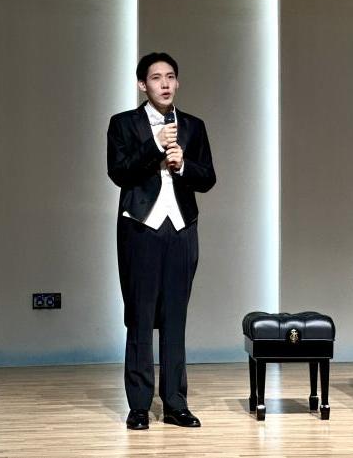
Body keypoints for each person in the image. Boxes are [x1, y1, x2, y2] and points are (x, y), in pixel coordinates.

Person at [107, 52, 216, 430]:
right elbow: (118, 172)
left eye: (170, 76)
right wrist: (154, 146)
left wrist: (183, 165)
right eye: (156, 78)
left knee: (175, 319)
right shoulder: (123, 124)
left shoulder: (194, 126)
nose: (165, 84)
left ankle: (175, 404)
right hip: (141, 228)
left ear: (177, 82)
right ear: (143, 84)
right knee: (140, 318)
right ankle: (139, 406)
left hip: (182, 228)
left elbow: (208, 177)